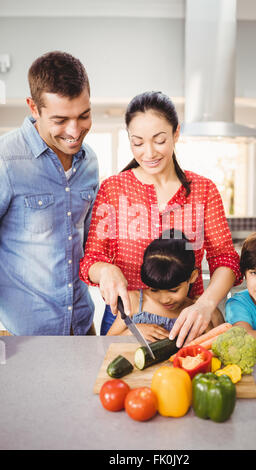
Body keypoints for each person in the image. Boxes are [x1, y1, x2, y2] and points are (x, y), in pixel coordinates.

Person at [80, 91, 241, 347]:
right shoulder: (113, 189)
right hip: (127, 322)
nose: (149, 152)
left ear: (176, 134)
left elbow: (226, 258)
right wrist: (106, 270)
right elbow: (91, 260)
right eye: (138, 142)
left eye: (159, 140)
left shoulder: (203, 190)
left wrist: (205, 305)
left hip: (189, 321)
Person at [0, 51, 99, 335]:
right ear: (33, 108)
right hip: (23, 334)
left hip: (81, 324)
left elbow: (90, 244)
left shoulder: (89, 161)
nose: (74, 131)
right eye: (60, 120)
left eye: (84, 115)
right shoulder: (6, 160)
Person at [107, 230, 224, 340]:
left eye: (173, 290)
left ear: (193, 276)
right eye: (154, 290)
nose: (164, 299)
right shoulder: (134, 302)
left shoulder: (197, 310)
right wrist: (132, 332)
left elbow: (214, 344)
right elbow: (106, 341)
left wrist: (213, 319)